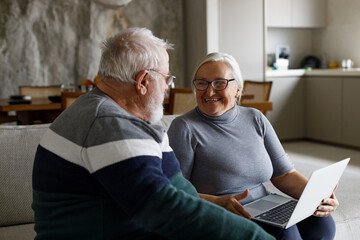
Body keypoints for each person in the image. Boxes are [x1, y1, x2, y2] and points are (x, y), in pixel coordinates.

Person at [32, 28, 274, 240]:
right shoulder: (109, 124)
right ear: (143, 81)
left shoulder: (130, 120)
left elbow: (176, 188)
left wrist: (216, 203)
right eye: (167, 78)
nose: (168, 87)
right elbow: (164, 208)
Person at [167, 52, 338, 240]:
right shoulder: (184, 128)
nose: (209, 91)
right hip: (223, 212)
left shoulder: (255, 118)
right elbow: (174, 190)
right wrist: (216, 202)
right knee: (286, 234)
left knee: (323, 224)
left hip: (267, 205)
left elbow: (285, 174)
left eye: (219, 83)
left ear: (237, 90)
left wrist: (320, 197)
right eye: (201, 83)